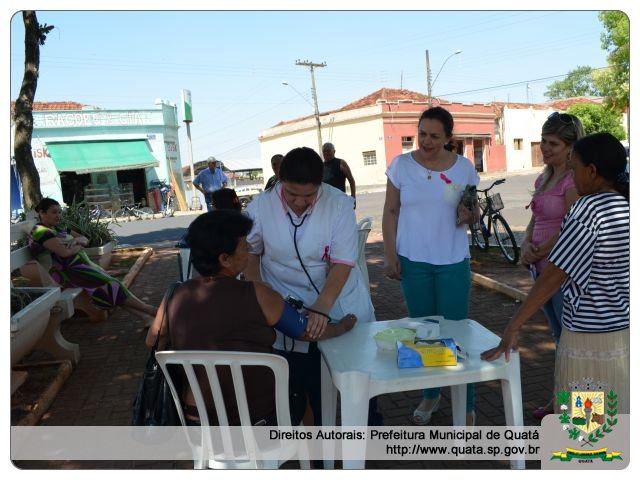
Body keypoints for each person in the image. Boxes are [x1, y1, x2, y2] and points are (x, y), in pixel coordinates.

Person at [146, 210, 356, 426]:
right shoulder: (258, 294)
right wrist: (342, 326)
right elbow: (307, 331)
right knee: (302, 399)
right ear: (225, 259)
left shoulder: (174, 296)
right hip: (259, 417)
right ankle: (311, 460)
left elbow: (152, 341)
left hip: (198, 418)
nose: (250, 251)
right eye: (245, 246)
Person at [482, 132, 629, 414]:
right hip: (621, 333)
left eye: (574, 170)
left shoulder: (587, 210)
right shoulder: (625, 206)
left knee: (586, 427)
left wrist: (514, 325)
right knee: (615, 413)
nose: (571, 178)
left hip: (588, 338)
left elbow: (553, 276)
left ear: (592, 171)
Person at [244, 146, 375, 426]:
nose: (300, 203)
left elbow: (342, 262)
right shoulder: (259, 207)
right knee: (307, 389)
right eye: (292, 194)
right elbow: (251, 253)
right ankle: (319, 455)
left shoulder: (338, 204)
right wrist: (260, 294)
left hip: (339, 301)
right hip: (286, 304)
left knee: (360, 387)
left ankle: (369, 441)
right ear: (279, 180)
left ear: (321, 185)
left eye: (309, 196)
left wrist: (322, 307)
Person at [382, 106, 480, 426]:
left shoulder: (464, 168)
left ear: (448, 138)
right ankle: (431, 394)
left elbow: (472, 211)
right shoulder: (401, 166)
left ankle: (466, 401)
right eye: (422, 133)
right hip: (414, 261)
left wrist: (470, 215)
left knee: (456, 332)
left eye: (434, 136)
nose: (426, 141)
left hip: (452, 261)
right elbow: (391, 211)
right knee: (424, 333)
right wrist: (390, 253)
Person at [521, 112, 584, 420]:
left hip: (561, 269)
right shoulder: (543, 177)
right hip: (540, 266)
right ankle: (561, 400)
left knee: (572, 340)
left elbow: (571, 225)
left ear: (571, 147)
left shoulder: (574, 180)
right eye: (544, 142)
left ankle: (576, 410)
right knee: (559, 337)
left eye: (553, 144)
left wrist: (542, 250)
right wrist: (525, 245)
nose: (545, 148)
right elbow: (536, 218)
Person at [29, 197, 157, 323]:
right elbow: (64, 253)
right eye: (54, 212)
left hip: (82, 268)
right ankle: (151, 310)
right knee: (112, 285)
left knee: (111, 288)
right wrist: (77, 245)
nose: (58, 215)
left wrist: (76, 242)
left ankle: (145, 317)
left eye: (59, 212)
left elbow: (84, 239)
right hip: (69, 274)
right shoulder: (40, 231)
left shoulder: (57, 229)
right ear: (42, 213)